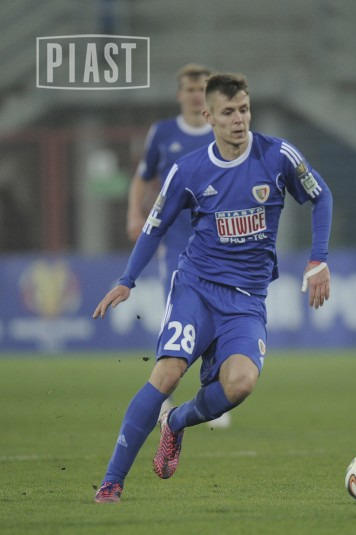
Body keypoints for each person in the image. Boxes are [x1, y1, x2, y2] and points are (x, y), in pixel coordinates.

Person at [93, 73, 333, 503]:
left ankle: (176, 422)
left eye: (244, 109)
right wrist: (127, 280)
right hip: (197, 290)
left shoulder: (277, 155)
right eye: (228, 112)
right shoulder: (188, 170)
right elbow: (154, 226)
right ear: (209, 117)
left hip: (246, 301)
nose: (239, 119)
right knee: (167, 373)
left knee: (240, 383)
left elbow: (321, 196)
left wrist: (318, 260)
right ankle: (112, 482)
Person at [126, 64, 232, 428]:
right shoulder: (163, 133)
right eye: (190, 89)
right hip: (174, 244)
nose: (196, 94)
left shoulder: (223, 130)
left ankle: (213, 393)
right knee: (176, 318)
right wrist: (134, 215)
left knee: (218, 318)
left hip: (217, 245)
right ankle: (165, 396)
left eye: (202, 88)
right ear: (180, 94)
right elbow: (143, 178)